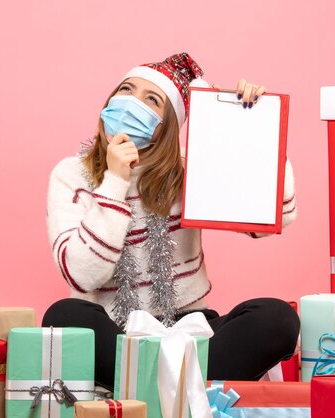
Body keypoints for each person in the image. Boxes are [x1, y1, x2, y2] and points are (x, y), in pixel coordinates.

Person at [43, 52, 299, 390]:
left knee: (277, 318)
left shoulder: (188, 168)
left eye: (151, 99)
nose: (131, 103)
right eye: (125, 89)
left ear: (168, 126)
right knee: (62, 317)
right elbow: (81, 273)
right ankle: (185, 391)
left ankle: (146, 390)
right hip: (116, 332)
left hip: (191, 329)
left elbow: (275, 213)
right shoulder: (71, 174)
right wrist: (115, 181)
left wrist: (249, 126)